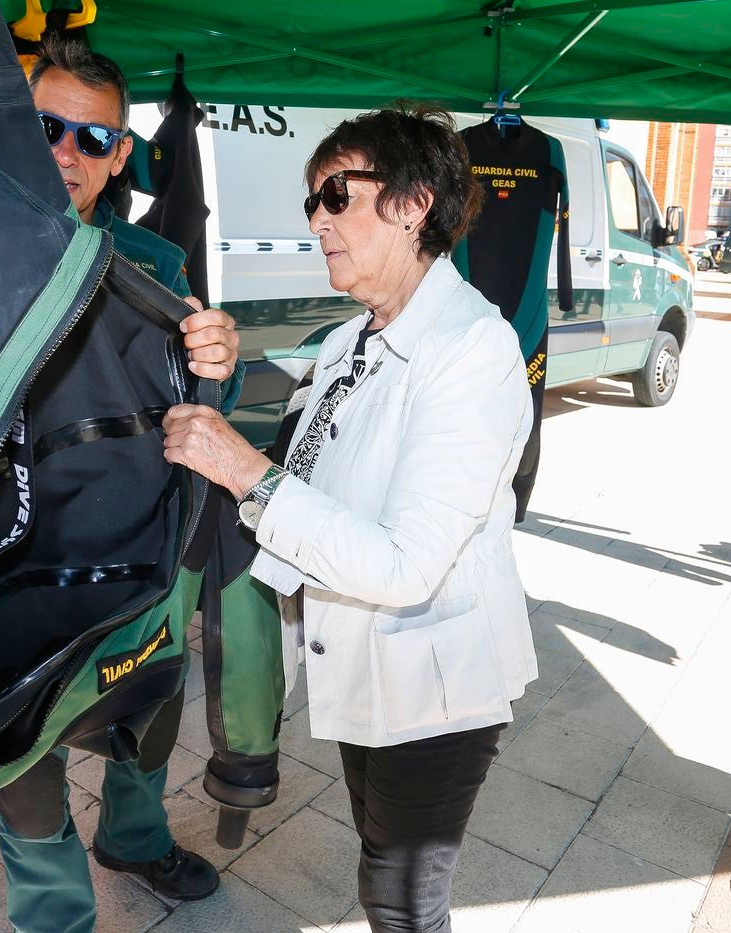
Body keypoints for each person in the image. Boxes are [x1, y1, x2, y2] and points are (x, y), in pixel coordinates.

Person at [161, 104, 538, 932]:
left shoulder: (471, 348)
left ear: (413, 204)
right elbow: (294, 413)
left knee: (403, 901)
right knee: (378, 857)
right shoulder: (352, 337)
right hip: (366, 665)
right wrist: (220, 356)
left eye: (337, 194)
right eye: (311, 203)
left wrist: (245, 471)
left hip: (436, 687)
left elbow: (406, 565)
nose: (317, 221)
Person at [0, 37, 242, 932]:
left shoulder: (153, 263)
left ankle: (133, 839)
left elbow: (201, 399)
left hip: (134, 540)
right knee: (22, 751)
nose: (66, 152)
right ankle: (54, 915)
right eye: (47, 127)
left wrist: (224, 360)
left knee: (149, 703)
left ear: (120, 155)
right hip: (0, 558)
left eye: (92, 139)